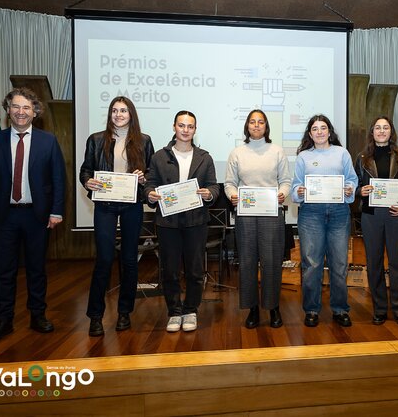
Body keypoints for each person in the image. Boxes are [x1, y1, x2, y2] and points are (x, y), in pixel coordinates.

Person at [0, 87, 66, 343]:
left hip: (37, 216)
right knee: (4, 272)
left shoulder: (48, 141)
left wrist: (56, 211)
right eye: (15, 106)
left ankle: (38, 316)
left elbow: (58, 179)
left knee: (37, 270)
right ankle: (3, 320)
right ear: (8, 110)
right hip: (4, 217)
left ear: (35, 112)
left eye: (26, 107)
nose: (21, 112)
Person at [80, 96, 154, 337]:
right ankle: (95, 316)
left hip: (132, 205)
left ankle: (124, 312)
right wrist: (88, 181)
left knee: (130, 260)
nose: (118, 115)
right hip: (105, 205)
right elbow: (85, 170)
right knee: (104, 259)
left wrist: (144, 178)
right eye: (114, 110)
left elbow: (151, 173)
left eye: (123, 110)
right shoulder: (96, 139)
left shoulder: (144, 141)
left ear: (131, 114)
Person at [145, 111, 219, 333]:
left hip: (196, 221)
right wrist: (150, 195)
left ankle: (191, 310)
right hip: (168, 222)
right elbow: (150, 184)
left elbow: (214, 186)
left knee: (195, 270)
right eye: (181, 125)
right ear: (174, 127)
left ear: (195, 130)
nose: (185, 130)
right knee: (170, 270)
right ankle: (174, 311)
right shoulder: (159, 157)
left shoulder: (205, 157)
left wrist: (209, 193)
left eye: (190, 126)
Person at [224, 109, 292, 329]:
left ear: (266, 126)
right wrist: (233, 195)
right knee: (247, 261)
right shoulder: (237, 153)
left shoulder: (277, 151)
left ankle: (273, 308)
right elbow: (229, 183)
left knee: (271, 262)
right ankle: (252, 308)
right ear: (247, 126)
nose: (256, 125)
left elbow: (286, 180)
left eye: (260, 122)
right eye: (252, 122)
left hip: (271, 213)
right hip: (245, 214)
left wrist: (282, 193)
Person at [291, 115, 358, 328]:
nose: (319, 132)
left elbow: (352, 180)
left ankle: (340, 309)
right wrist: (299, 191)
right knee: (312, 264)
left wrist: (349, 189)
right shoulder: (303, 157)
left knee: (339, 264)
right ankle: (311, 309)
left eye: (323, 128)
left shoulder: (342, 153)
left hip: (339, 212)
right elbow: (295, 187)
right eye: (315, 129)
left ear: (329, 131)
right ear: (310, 134)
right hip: (311, 213)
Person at [355, 116, 398, 326]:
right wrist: (360, 191)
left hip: (396, 214)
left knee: (397, 263)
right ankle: (379, 309)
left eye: (385, 127)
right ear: (372, 132)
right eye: (377, 127)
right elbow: (354, 185)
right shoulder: (362, 157)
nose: (381, 131)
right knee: (374, 263)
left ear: (391, 131)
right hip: (371, 215)